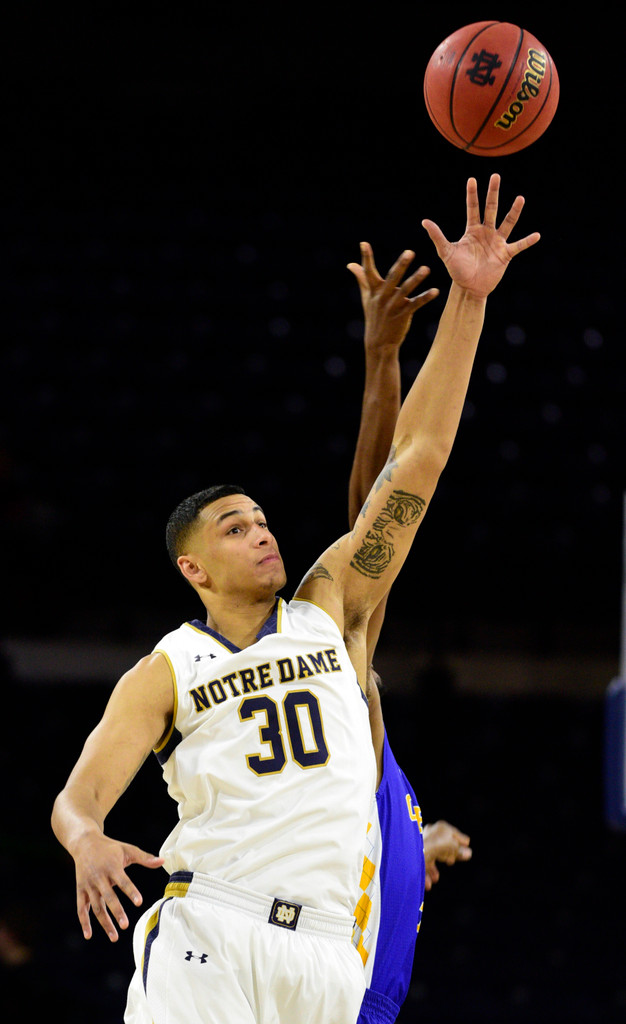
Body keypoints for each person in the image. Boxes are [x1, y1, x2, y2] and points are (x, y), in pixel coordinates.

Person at [51, 175, 539, 1024]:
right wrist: (86, 838)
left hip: (325, 957)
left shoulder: (331, 609)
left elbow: (415, 461)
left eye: (264, 519)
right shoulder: (171, 666)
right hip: (213, 924)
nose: (263, 533)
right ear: (193, 569)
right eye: (236, 528)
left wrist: (470, 299)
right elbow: (78, 794)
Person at [346, 241, 473, 1023]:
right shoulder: (328, 683)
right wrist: (382, 359)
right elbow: (373, 517)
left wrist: (411, 851)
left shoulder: (361, 771)